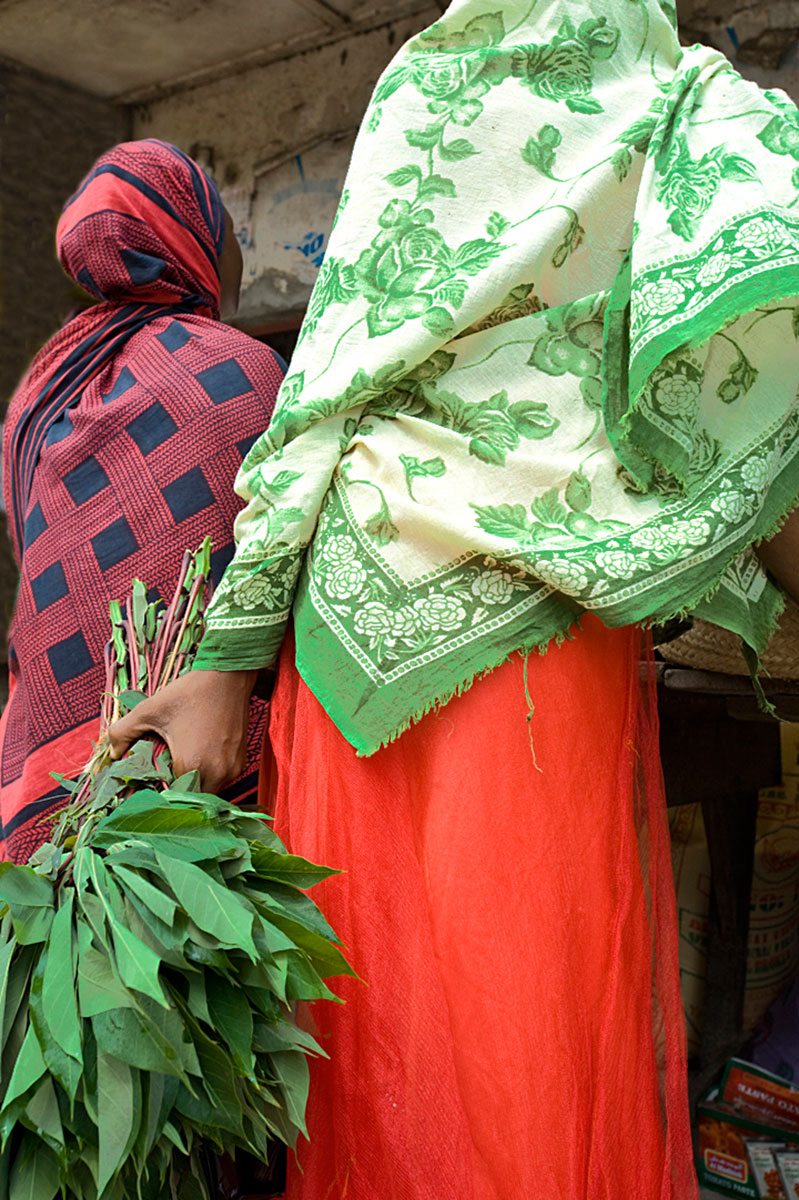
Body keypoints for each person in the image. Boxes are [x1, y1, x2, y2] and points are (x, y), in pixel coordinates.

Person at [111, 2, 799, 1196]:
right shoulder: (690, 101)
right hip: (535, 651)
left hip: (348, 630)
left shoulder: (420, 89)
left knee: (380, 1074)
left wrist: (230, 653)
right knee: (523, 1059)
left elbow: (321, 394)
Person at [0, 139, 284, 863]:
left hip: (55, 749)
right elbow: (281, 551)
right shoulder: (235, 365)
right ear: (194, 236)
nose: (237, 258)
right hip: (212, 748)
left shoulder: (40, 388)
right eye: (227, 232)